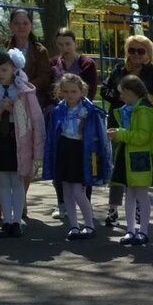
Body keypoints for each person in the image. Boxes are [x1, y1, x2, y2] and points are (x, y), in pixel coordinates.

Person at [101, 35, 153, 227]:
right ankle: (113, 209)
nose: (136, 54)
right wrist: (121, 97)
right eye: (132, 50)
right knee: (118, 167)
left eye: (141, 51)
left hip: (142, 125)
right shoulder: (118, 70)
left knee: (138, 171)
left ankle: (139, 208)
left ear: (149, 53)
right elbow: (104, 90)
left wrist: (139, 100)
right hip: (118, 125)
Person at [0, 48, 44, 238]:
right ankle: (6, 220)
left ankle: (16, 221)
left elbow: (35, 118)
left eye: (4, 70)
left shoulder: (24, 89)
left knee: (16, 181)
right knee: (2, 181)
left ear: (13, 68)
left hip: (18, 138)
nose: (0, 74)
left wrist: (37, 147)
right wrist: (1, 110)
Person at [43, 73, 111, 240]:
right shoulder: (58, 110)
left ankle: (89, 225)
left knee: (78, 192)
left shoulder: (89, 110)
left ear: (82, 91)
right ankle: (73, 226)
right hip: (64, 150)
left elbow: (100, 137)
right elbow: (52, 135)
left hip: (81, 152)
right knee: (66, 190)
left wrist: (99, 159)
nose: (70, 95)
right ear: (60, 92)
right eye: (66, 91)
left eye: (73, 91)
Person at [49, 27, 100, 223]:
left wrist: (79, 108)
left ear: (74, 43)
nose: (65, 48)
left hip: (81, 118)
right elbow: (49, 88)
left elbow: (91, 90)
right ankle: (62, 204)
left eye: (68, 43)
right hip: (60, 115)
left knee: (84, 167)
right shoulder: (54, 63)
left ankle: (86, 206)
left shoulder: (86, 63)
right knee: (61, 166)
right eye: (61, 44)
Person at [107, 74, 153, 246]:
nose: (120, 96)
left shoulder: (144, 110)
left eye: (122, 92)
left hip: (140, 157)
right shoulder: (130, 109)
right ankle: (130, 230)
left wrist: (120, 134)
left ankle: (143, 231)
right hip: (129, 155)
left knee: (141, 194)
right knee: (130, 194)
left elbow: (142, 136)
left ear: (131, 92)